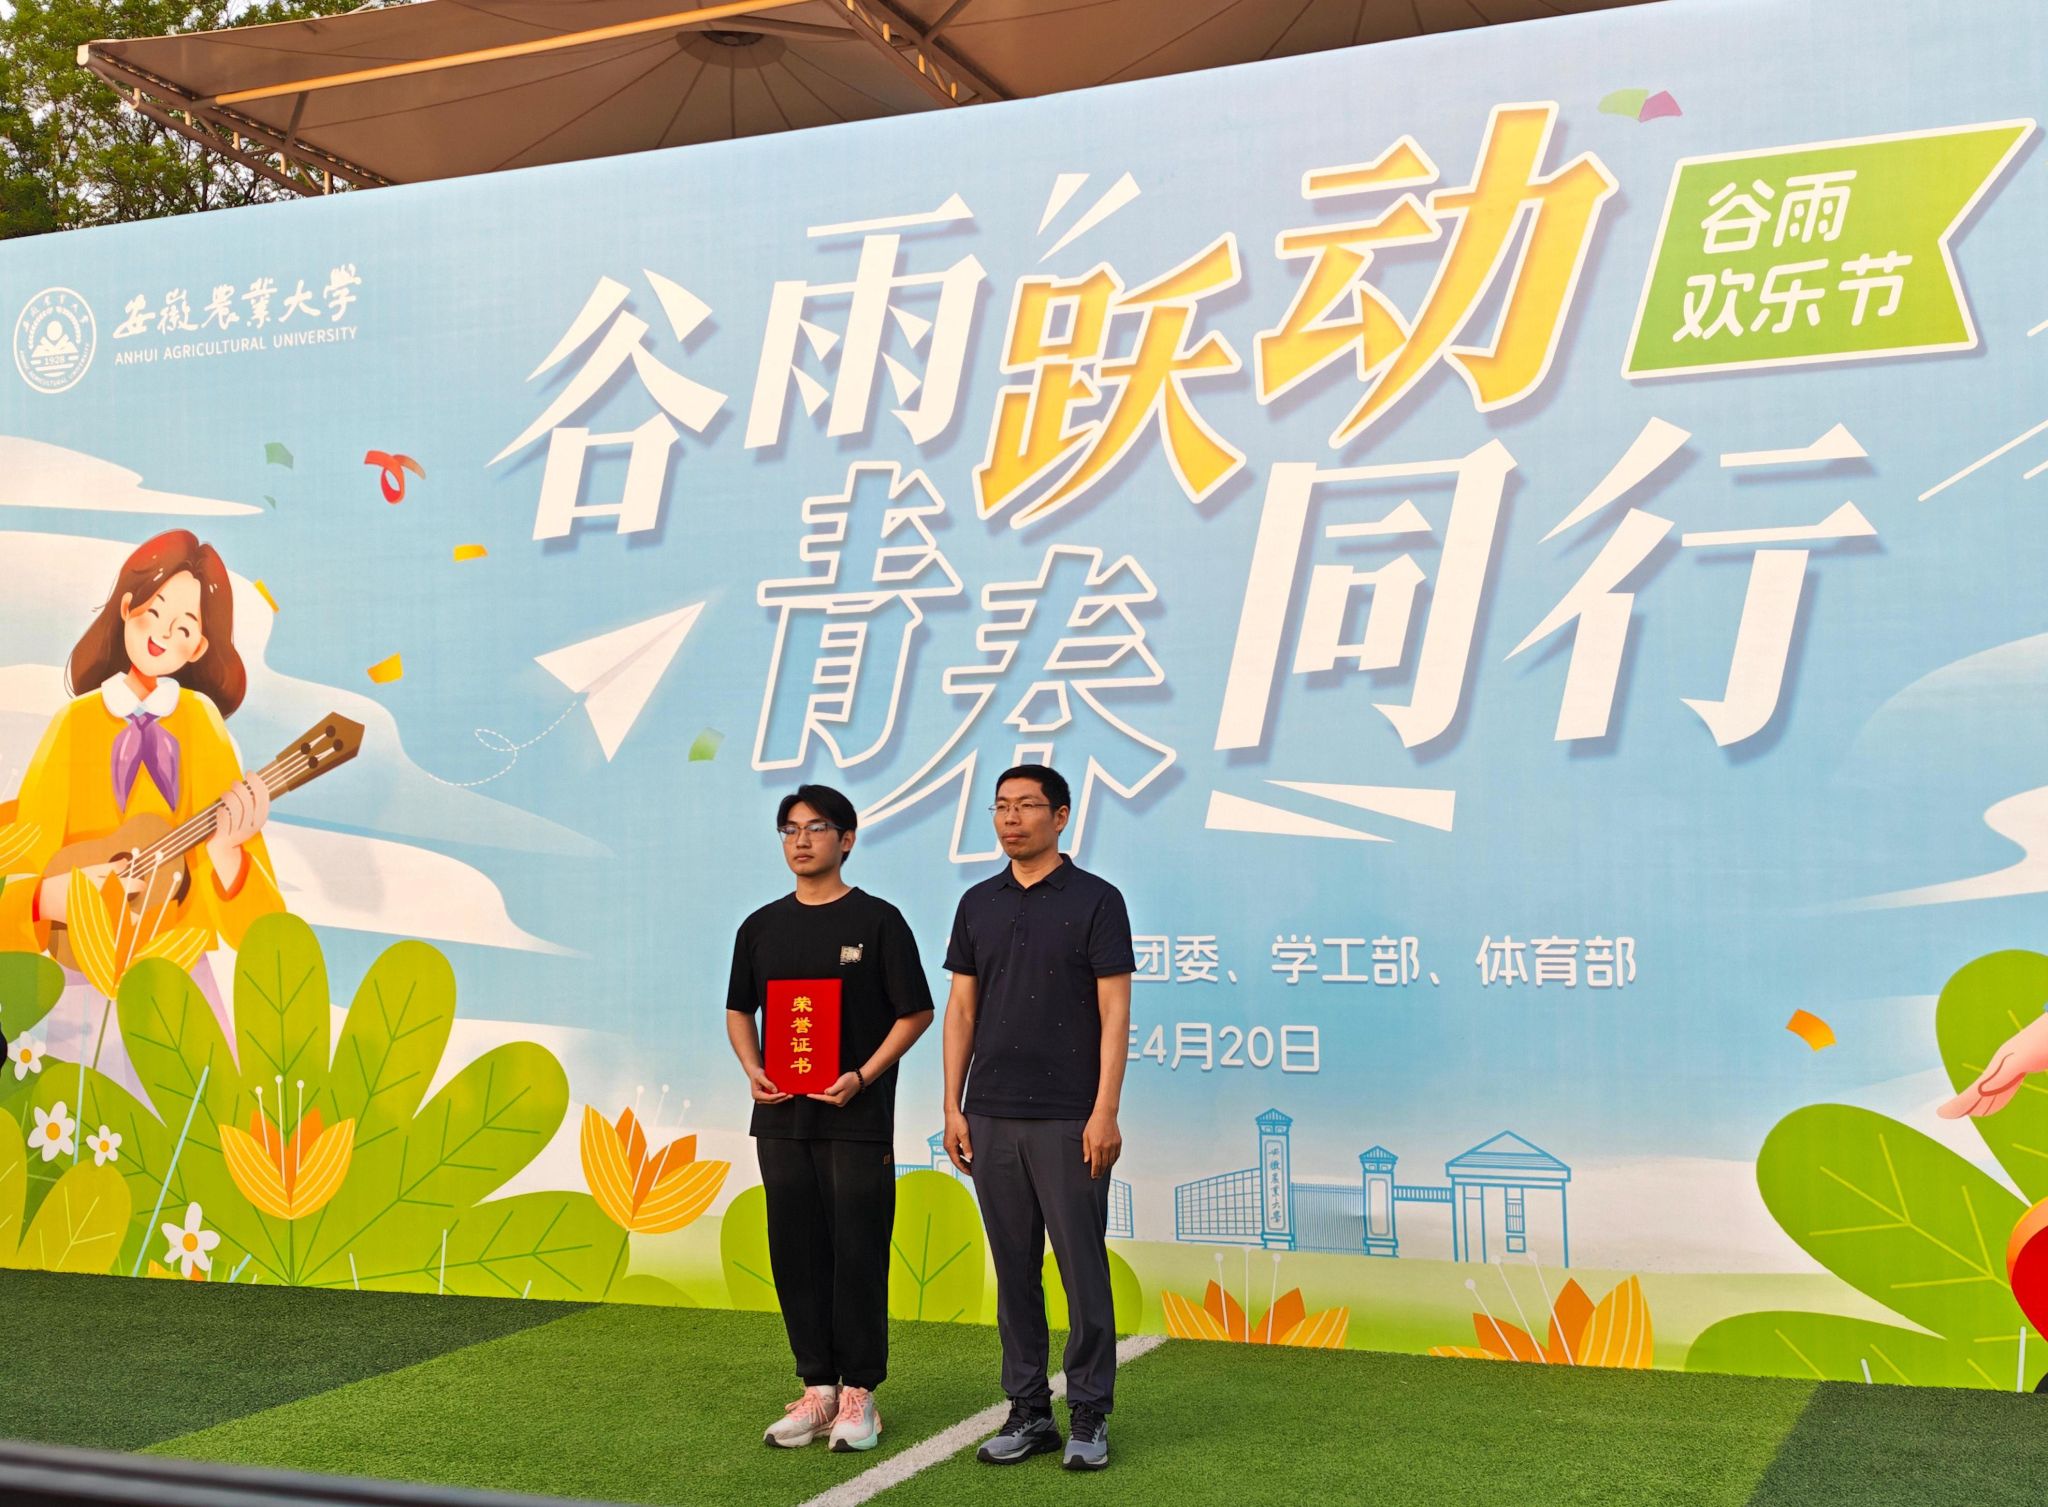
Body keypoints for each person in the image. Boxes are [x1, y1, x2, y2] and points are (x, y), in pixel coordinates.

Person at [0, 531, 281, 1080]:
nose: (162, 634)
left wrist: (228, 853)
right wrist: (67, 895)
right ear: (127, 606)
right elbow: (22, 869)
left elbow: (261, 930)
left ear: (198, 648)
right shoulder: (75, 724)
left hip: (178, 982)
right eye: (154, 611)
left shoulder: (202, 726)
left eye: (184, 627)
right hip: (78, 979)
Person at [726, 783, 934, 1453]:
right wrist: (753, 1067)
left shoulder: (878, 921)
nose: (801, 840)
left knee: (858, 1250)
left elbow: (916, 1012)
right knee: (795, 1250)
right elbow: (739, 1009)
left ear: (847, 839)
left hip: (856, 1116)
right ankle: (817, 1388)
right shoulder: (760, 926)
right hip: (780, 1119)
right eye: (790, 829)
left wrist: (862, 1076)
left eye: (816, 827)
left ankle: (859, 1394)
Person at [941, 764, 1133, 1472]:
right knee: (1014, 1269)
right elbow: (962, 1010)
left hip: (1069, 1117)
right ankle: (1028, 1410)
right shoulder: (977, 903)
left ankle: (1089, 1411)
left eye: (1026, 805)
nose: (1011, 818)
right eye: (1001, 806)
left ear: (1060, 816)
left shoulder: (1097, 900)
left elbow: (1115, 1012)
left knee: (1082, 1269)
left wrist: (1104, 1110)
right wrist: (953, 1105)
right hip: (990, 1112)